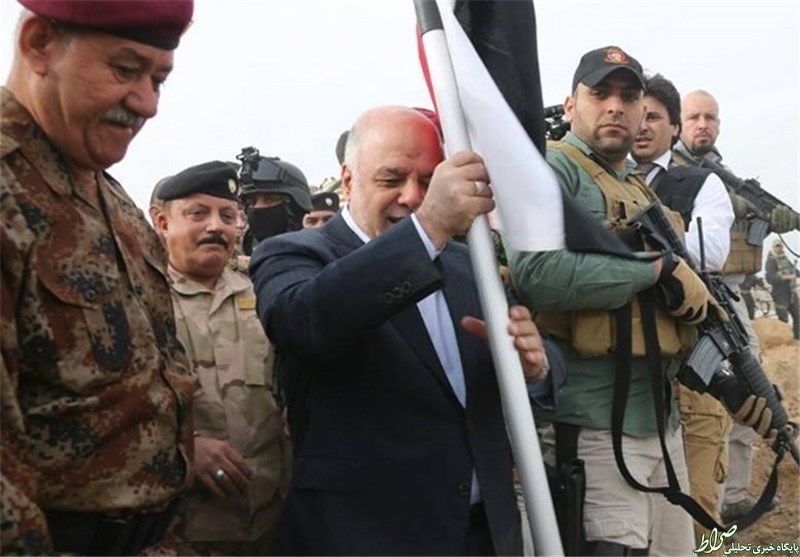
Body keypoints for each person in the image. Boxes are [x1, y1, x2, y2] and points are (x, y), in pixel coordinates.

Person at [250, 105, 554, 556]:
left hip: (483, 535)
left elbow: (536, 363)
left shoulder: (470, 264)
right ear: (348, 179)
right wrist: (428, 227)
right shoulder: (295, 254)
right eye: (392, 179)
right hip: (365, 538)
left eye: (429, 182)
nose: (412, 197)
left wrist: (535, 366)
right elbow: (306, 323)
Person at [507, 47, 770, 555]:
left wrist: (733, 389)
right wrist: (655, 271)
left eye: (629, 97)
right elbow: (537, 274)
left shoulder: (634, 186)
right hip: (593, 429)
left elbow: (665, 320)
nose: (615, 106)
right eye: (600, 93)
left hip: (661, 426)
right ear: (571, 105)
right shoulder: (552, 169)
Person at [1, 1, 196, 555]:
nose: (148, 103)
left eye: (159, 79)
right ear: (39, 44)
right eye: (125, 69)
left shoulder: (109, 196)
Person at [154, 161, 290, 554]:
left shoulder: (265, 290)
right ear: (162, 222)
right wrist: (185, 445)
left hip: (273, 522)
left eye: (227, 216)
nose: (216, 226)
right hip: (182, 532)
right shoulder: (139, 298)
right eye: (198, 214)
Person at [631, 74, 735, 547]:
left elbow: (709, 252)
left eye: (654, 116)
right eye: (637, 113)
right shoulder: (596, 178)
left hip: (691, 366)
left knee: (696, 511)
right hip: (627, 372)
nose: (641, 124)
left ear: (674, 129)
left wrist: (630, 243)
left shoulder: (699, 182)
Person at [673, 89, 782, 524]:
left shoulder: (723, 171)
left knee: (750, 390)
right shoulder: (671, 169)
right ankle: (707, 502)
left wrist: (767, 217)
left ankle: (734, 493)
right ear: (678, 123)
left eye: (711, 118)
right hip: (689, 293)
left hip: (729, 293)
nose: (703, 125)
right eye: (694, 117)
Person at [238, 153, 312, 256]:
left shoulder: (316, 255)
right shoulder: (248, 252)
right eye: (252, 202)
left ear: (296, 207)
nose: (258, 207)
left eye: (270, 199)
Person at [765, 240, 800, 339]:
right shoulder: (770, 261)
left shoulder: (785, 259)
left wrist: (795, 274)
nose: (779, 248)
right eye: (777, 246)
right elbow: (771, 277)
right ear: (773, 247)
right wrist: (787, 277)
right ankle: (783, 339)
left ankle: (797, 338)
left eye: (780, 246)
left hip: (791, 291)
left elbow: (795, 271)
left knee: (797, 315)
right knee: (783, 317)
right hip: (780, 292)